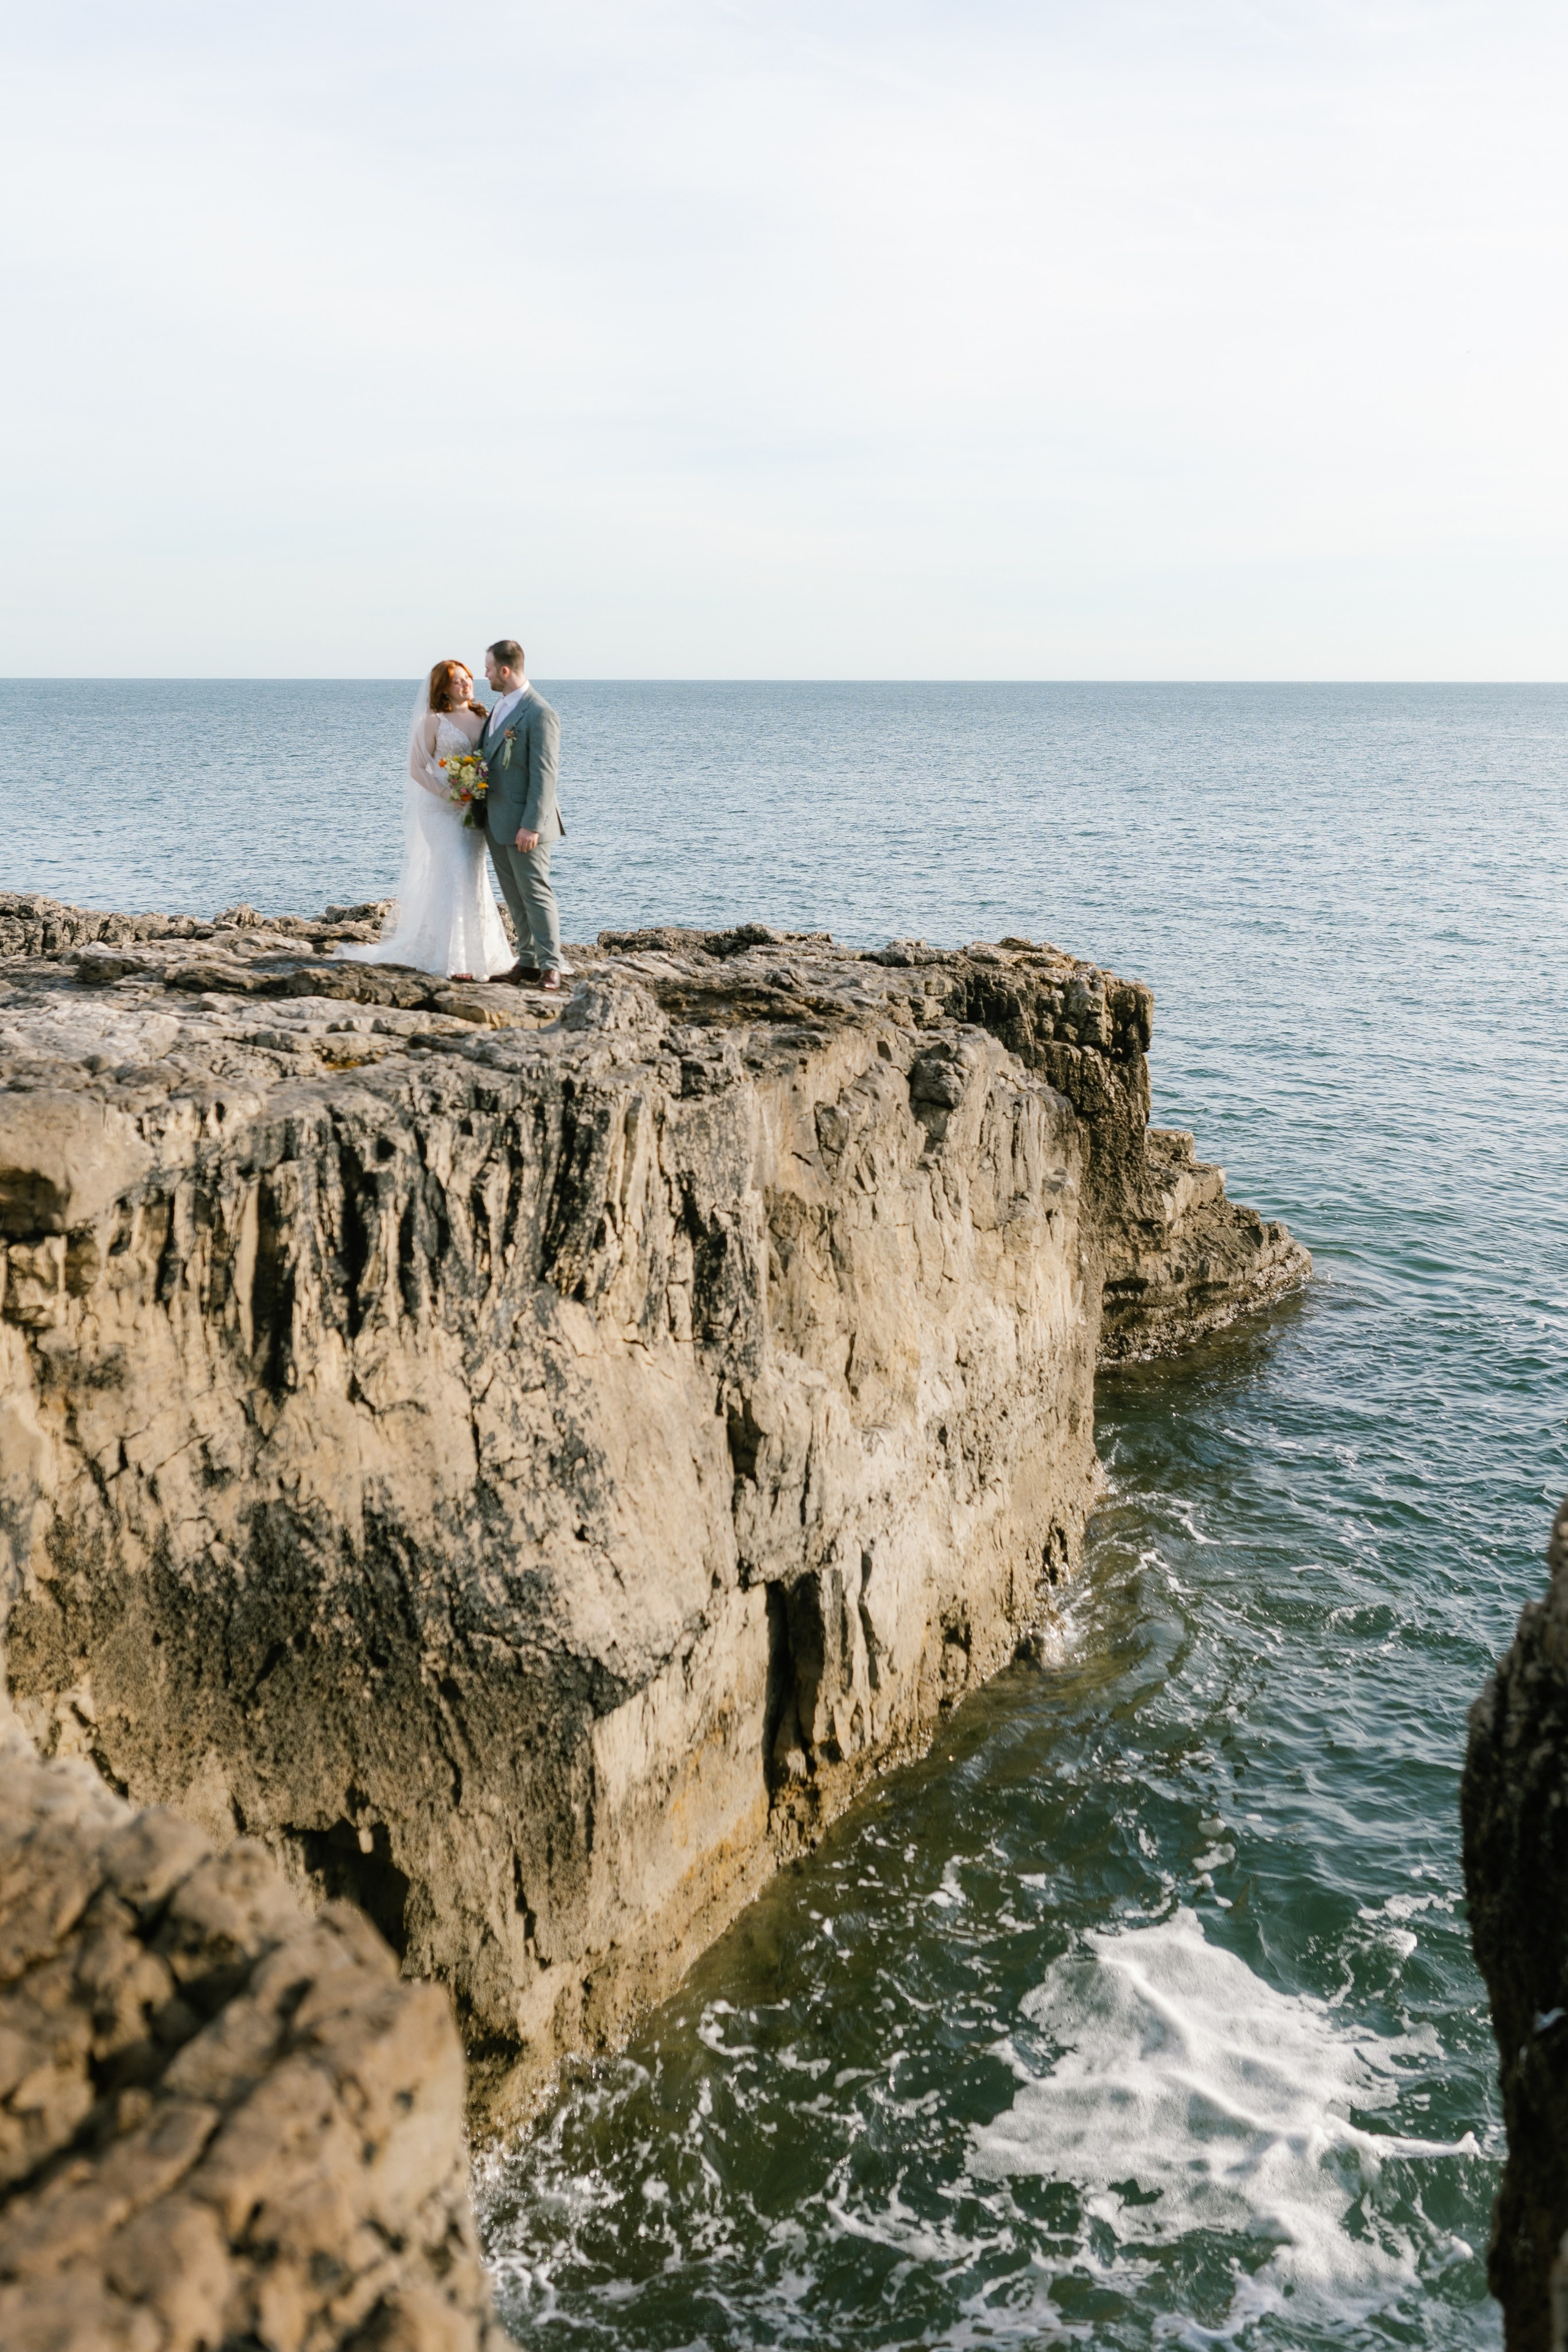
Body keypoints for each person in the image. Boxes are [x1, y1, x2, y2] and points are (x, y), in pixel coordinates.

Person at [336, 659, 514, 982]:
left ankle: (482, 954)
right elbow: (417, 769)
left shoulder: (483, 717)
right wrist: (448, 793)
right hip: (440, 809)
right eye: (458, 681)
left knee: (473, 875)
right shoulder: (433, 722)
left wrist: (479, 789)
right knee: (454, 869)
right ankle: (454, 959)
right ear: (443, 688)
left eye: (468, 679)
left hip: (475, 808)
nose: (466, 684)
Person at [479, 639, 566, 990]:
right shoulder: (499, 707)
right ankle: (528, 961)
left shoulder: (540, 713)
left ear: (505, 670)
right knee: (514, 895)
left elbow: (545, 775)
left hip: (527, 825)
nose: (484, 674)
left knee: (536, 893)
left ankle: (551, 967)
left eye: (488, 668)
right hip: (497, 821)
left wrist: (531, 824)